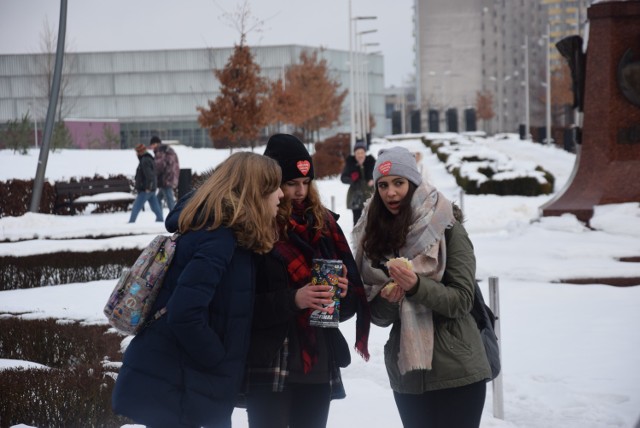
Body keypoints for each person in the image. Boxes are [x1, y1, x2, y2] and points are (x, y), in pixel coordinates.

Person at [112, 152, 284, 428]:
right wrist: (219, 360)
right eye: (274, 187)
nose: (281, 195)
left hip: (186, 384)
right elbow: (184, 312)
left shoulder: (225, 235)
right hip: (178, 386)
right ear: (255, 192)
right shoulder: (218, 238)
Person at [352, 146, 491, 428]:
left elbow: (462, 300)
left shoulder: (446, 227)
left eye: (399, 183)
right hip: (409, 377)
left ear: (414, 183)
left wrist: (416, 286)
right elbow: (377, 317)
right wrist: (390, 299)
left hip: (457, 370)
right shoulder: (376, 237)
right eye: (383, 185)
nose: (391, 192)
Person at [242, 133, 371, 428]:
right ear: (271, 183)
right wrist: (294, 299)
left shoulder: (325, 225)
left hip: (317, 361)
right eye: (291, 183)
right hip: (271, 363)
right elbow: (242, 306)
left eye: (305, 183)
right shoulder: (256, 227)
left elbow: (349, 306)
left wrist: (344, 292)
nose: (300, 192)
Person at [340, 140, 376, 225]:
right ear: (355, 153)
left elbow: (379, 174)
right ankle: (357, 237)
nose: (360, 155)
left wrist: (373, 180)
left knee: (371, 217)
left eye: (362, 152)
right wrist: (351, 179)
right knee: (357, 220)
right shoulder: (350, 163)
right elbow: (343, 178)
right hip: (355, 195)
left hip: (369, 194)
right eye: (358, 153)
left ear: (365, 153)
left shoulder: (371, 162)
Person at [128, 143, 164, 223]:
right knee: (155, 206)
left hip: (146, 189)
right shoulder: (149, 158)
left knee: (136, 206)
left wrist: (148, 187)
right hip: (151, 188)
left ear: (140, 152)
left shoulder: (145, 160)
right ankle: (160, 220)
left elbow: (150, 175)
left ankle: (131, 222)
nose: (136, 154)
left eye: (137, 152)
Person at [149, 135, 180, 210]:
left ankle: (172, 217)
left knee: (169, 200)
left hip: (166, 178)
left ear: (157, 143)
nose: (152, 147)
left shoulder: (161, 151)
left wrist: (153, 172)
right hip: (170, 176)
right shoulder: (167, 149)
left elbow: (159, 165)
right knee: (158, 198)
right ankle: (159, 218)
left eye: (153, 144)